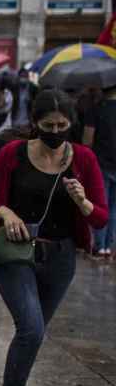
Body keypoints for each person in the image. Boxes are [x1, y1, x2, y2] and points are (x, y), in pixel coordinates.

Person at [0, 90, 109, 386]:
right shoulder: (13, 154)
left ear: (71, 125)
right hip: (15, 254)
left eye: (63, 125)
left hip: (60, 258)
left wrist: (83, 202)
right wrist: (5, 212)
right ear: (36, 123)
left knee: (33, 333)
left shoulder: (84, 159)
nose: (56, 131)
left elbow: (102, 219)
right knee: (31, 327)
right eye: (49, 125)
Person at [83, 86, 116, 259]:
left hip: (101, 164)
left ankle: (98, 246)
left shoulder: (95, 109)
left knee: (100, 205)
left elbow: (87, 140)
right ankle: (108, 247)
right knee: (114, 208)